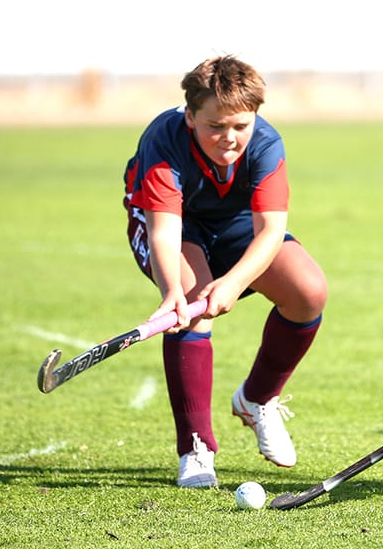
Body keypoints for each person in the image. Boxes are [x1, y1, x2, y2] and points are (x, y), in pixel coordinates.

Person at [123, 55, 327, 488]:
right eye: (215, 126)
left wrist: (234, 282)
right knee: (191, 305)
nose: (229, 138)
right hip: (174, 225)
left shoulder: (267, 142)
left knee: (309, 291)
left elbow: (271, 230)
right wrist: (171, 292)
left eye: (240, 126)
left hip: (235, 226)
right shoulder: (164, 139)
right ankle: (196, 448)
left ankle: (257, 400)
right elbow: (164, 230)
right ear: (191, 115)